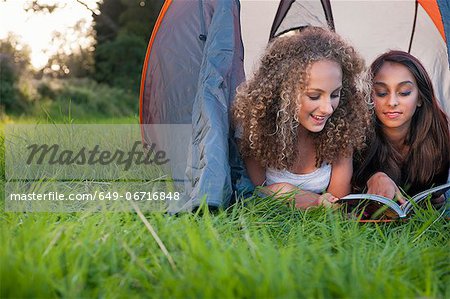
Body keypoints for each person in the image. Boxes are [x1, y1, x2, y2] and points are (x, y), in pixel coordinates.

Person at [232, 27, 371, 209]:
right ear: (284, 93)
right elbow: (254, 193)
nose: (328, 108)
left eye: (335, 94)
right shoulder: (256, 126)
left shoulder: (342, 126)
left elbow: (337, 203)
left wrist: (311, 202)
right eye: (314, 96)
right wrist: (284, 192)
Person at [353, 50, 450, 204]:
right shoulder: (357, 137)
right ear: (370, 96)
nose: (392, 102)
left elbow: (437, 196)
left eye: (404, 93)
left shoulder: (438, 135)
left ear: (420, 98)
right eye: (381, 92)